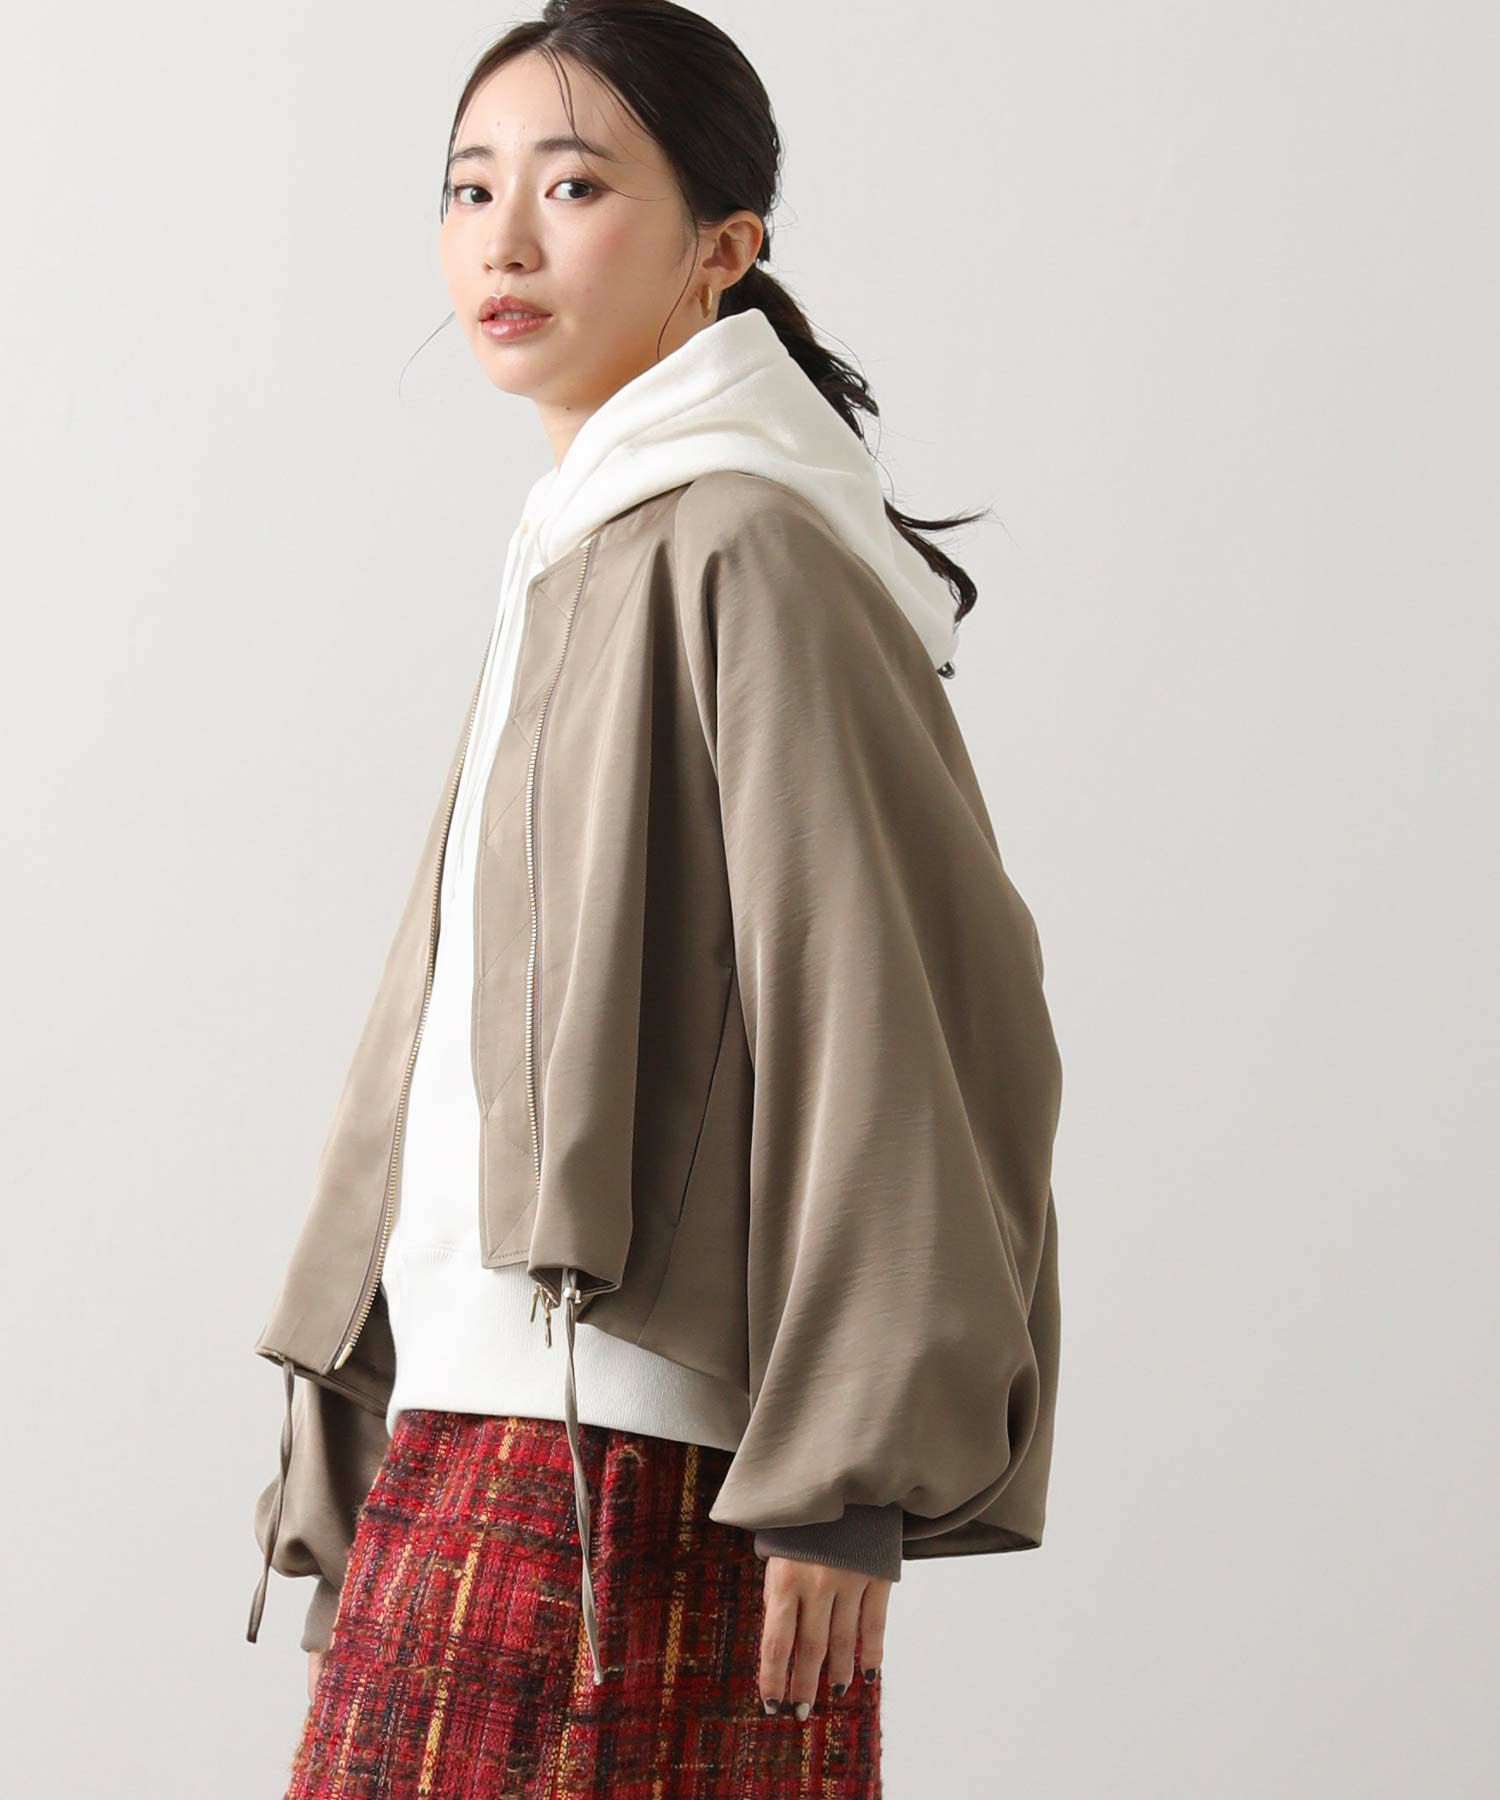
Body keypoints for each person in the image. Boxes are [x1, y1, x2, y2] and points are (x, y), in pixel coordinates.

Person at [246, 4, 1065, 1795]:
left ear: (723, 246)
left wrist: (847, 1473)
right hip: (487, 1430)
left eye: (572, 186)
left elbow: (895, 1012)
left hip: (632, 1465)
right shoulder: (588, 542)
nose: (503, 242)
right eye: (469, 189)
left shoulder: (741, 547)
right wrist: (364, 1454)